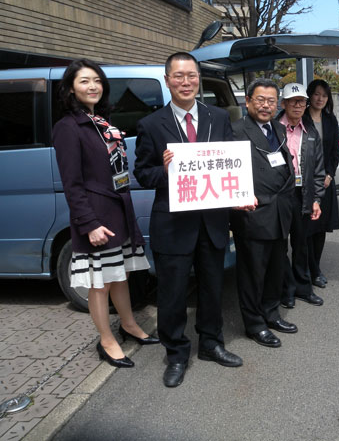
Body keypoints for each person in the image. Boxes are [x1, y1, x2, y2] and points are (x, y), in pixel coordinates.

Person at [134, 52, 242, 388]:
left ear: (199, 79)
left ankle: (211, 343)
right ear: (167, 80)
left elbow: (231, 163)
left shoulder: (218, 117)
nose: (186, 82)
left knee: (212, 288)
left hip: (212, 222)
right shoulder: (151, 124)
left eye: (191, 75)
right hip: (172, 225)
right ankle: (177, 354)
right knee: (172, 294)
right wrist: (166, 170)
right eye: (178, 76)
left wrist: (242, 194)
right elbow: (142, 173)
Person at [52, 59, 158, 369]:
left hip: (119, 210)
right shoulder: (68, 127)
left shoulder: (100, 120)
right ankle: (106, 340)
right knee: (100, 283)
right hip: (97, 216)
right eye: (84, 81)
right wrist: (89, 223)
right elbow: (72, 183)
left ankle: (129, 324)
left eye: (97, 80)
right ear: (70, 88)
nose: (92, 86)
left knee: (121, 275)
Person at [231, 78, 298, 348]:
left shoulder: (279, 129)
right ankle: (255, 324)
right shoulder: (235, 131)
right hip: (253, 214)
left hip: (280, 212)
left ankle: (271, 313)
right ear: (247, 101)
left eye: (271, 101)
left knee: (275, 269)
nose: (266, 105)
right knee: (252, 274)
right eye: (260, 100)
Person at [277, 82, 326, 308]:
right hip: (279, 195)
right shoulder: (273, 129)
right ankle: (286, 289)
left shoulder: (311, 131)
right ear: (283, 104)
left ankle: (303, 288)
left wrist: (316, 199)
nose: (298, 106)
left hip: (302, 194)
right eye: (293, 101)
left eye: (302, 102)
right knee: (279, 245)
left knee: (301, 244)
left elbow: (318, 169)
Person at [304, 79, 339, 288]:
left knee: (320, 228)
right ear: (310, 95)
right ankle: (309, 269)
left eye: (324, 95)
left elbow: (335, 151)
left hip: (325, 183)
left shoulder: (330, 119)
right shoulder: (301, 117)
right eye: (317, 94)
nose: (320, 99)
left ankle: (315, 268)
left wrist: (329, 174)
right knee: (307, 228)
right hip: (305, 183)